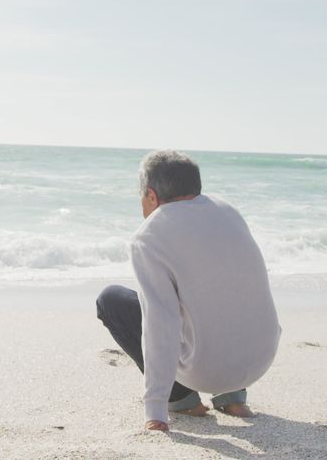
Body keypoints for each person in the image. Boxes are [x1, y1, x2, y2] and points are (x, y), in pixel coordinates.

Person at [96, 150, 281, 432]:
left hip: (204, 370)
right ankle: (233, 399)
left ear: (151, 195)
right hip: (260, 360)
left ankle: (182, 400)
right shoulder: (228, 211)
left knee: (112, 300)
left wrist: (155, 409)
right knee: (218, 288)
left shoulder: (148, 236)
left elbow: (160, 324)